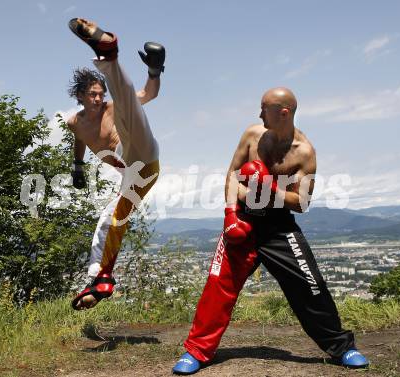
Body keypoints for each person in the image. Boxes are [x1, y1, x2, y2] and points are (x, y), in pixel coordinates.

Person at [173, 88, 369, 374]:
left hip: (278, 226)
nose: (259, 113)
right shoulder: (252, 136)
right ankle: (197, 351)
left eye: (263, 108)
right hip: (242, 219)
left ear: (283, 112)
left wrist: (266, 187)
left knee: (310, 286)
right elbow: (232, 175)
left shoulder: (304, 153)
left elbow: (301, 203)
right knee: (217, 287)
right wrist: (230, 214)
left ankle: (342, 348)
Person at [66, 18, 165, 310]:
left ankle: (109, 56)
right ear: (80, 96)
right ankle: (98, 281)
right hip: (134, 175)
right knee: (108, 223)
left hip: (142, 152)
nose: (98, 98)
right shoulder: (76, 123)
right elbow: (80, 141)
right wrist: (77, 166)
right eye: (92, 94)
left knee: (127, 107)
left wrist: (154, 70)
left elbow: (149, 95)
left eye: (100, 93)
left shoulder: (112, 106)